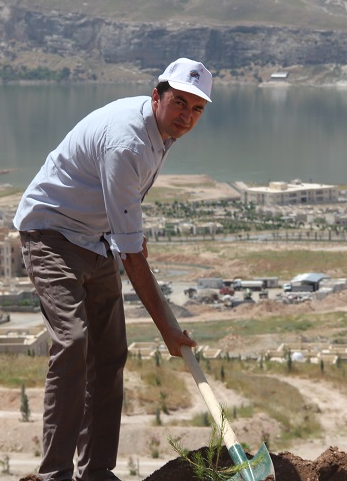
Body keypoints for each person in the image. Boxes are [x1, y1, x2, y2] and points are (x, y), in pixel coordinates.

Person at [13, 57, 211, 481]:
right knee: (74, 342)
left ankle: (97, 472)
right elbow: (133, 256)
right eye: (179, 103)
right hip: (51, 234)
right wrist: (168, 332)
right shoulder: (127, 141)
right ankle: (56, 476)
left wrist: (127, 233)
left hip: (93, 238)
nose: (187, 116)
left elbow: (127, 229)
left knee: (110, 354)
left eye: (197, 109)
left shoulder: (160, 132)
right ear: (156, 96)